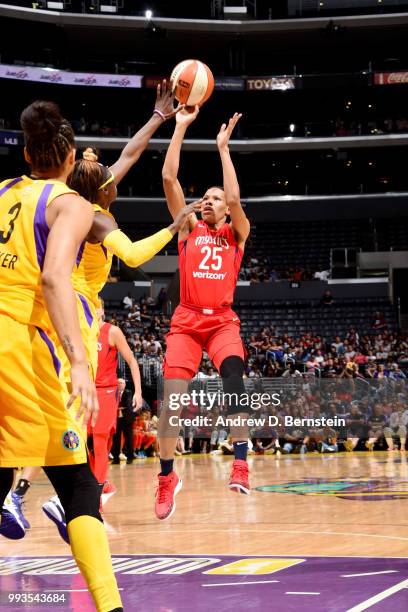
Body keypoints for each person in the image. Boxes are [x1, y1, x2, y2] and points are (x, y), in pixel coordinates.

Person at [12, 83, 200, 531]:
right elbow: (133, 256)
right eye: (112, 178)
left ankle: (51, 492)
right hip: (76, 309)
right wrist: (174, 227)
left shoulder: (78, 199)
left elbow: (129, 156)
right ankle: (64, 495)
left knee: (61, 407)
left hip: (49, 310)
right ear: (103, 189)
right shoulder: (98, 218)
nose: (118, 177)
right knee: (73, 407)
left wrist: (158, 118)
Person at [0, 100, 123, 612]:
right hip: (20, 345)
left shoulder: (4, 191)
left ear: (27, 152)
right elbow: (53, 278)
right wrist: (77, 360)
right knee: (77, 484)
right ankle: (110, 607)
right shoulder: (70, 203)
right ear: (71, 157)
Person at [155, 108, 251, 521]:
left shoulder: (236, 232)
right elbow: (168, 179)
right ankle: (166, 477)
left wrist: (223, 149)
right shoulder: (188, 229)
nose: (210, 202)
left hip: (222, 321)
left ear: (226, 210)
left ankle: (242, 460)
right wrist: (179, 127)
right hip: (187, 321)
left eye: (215, 199)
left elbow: (233, 197)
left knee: (234, 379)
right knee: (171, 403)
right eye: (206, 198)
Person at [111, 379, 136, 464]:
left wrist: (119, 407)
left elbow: (128, 404)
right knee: (116, 439)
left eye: (122, 383)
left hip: (127, 419)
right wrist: (118, 408)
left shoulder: (128, 393)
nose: (120, 384)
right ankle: (116, 458)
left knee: (129, 438)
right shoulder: (113, 393)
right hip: (116, 419)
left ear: (125, 385)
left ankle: (130, 458)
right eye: (118, 383)